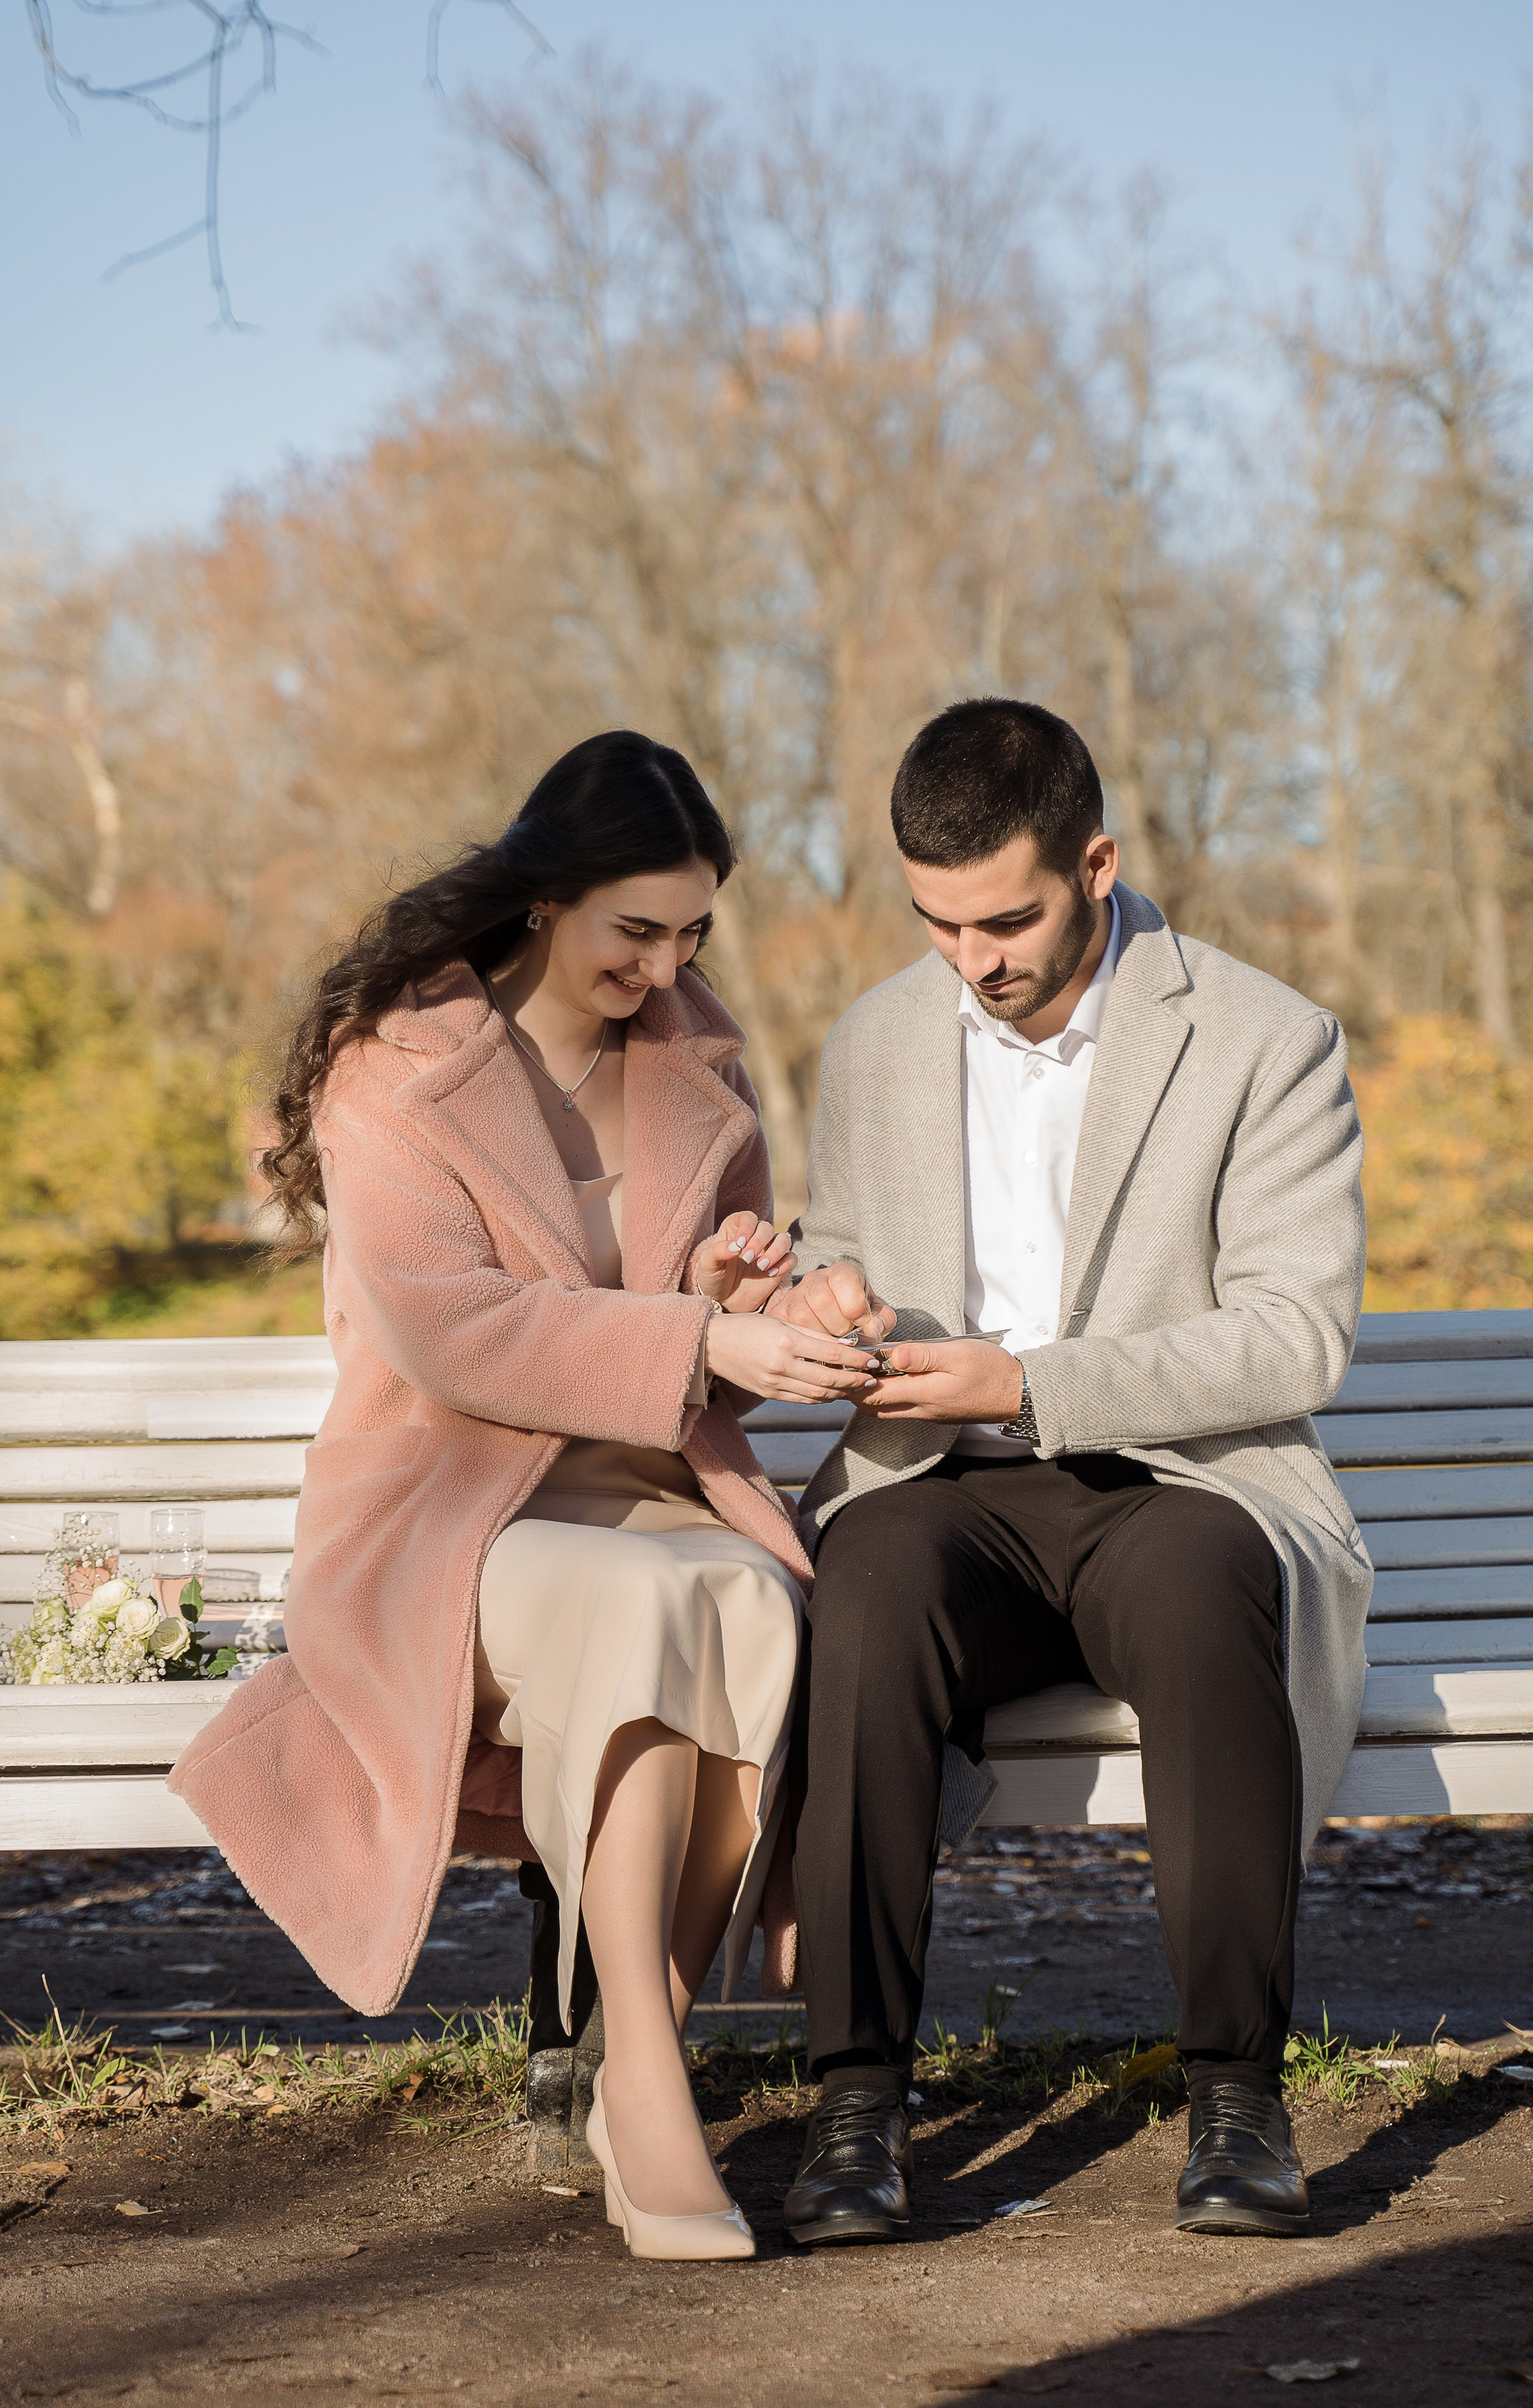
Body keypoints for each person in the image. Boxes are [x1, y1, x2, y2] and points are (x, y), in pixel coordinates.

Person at [169, 729, 876, 2263]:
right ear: (548, 898)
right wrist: (697, 1332)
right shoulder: (397, 1070)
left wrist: (732, 1292)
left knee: (749, 1601)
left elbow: (708, 1344)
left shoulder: (703, 1061)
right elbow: (455, 1330)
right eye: (636, 929)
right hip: (448, 1514)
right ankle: (654, 2086)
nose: (664, 963)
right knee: (649, 1606)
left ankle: (638, 2059)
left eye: (691, 932)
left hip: (655, 1487)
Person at [769, 698, 1371, 2244]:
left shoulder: (1262, 1037)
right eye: (935, 922)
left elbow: (1290, 1340)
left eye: (1005, 917)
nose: (968, 959)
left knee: (1195, 1583)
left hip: (1176, 1483)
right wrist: (823, 1306)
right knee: (865, 1581)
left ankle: (1235, 2096)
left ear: (1095, 863)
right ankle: (852, 2113)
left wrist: (1032, 1384)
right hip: (940, 1491)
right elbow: (838, 1252)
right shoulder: (873, 1038)